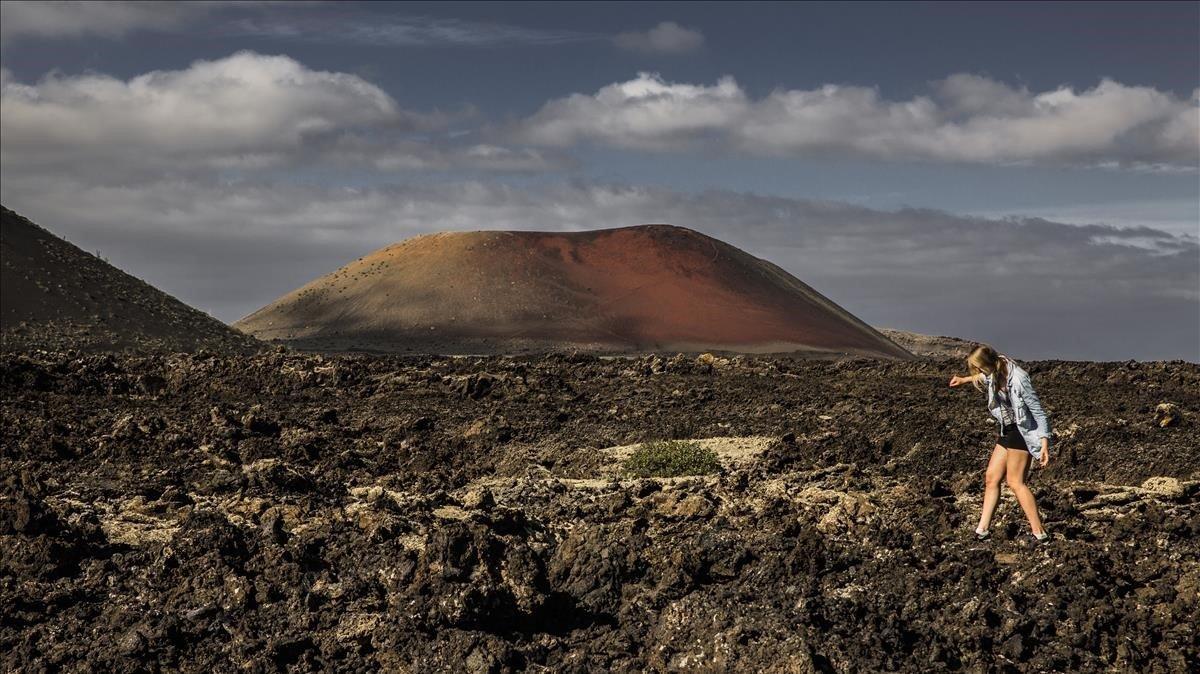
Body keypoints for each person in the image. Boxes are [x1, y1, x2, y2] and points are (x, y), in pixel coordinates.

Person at [949, 345, 1052, 544]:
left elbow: (1038, 412)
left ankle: (1040, 534)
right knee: (991, 477)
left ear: (987, 364)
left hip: (1023, 432)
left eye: (977, 368)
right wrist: (964, 380)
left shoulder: (1019, 379)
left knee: (1015, 482)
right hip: (1008, 429)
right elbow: (984, 378)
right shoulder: (994, 371)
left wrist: (1044, 442)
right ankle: (982, 530)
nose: (977, 372)